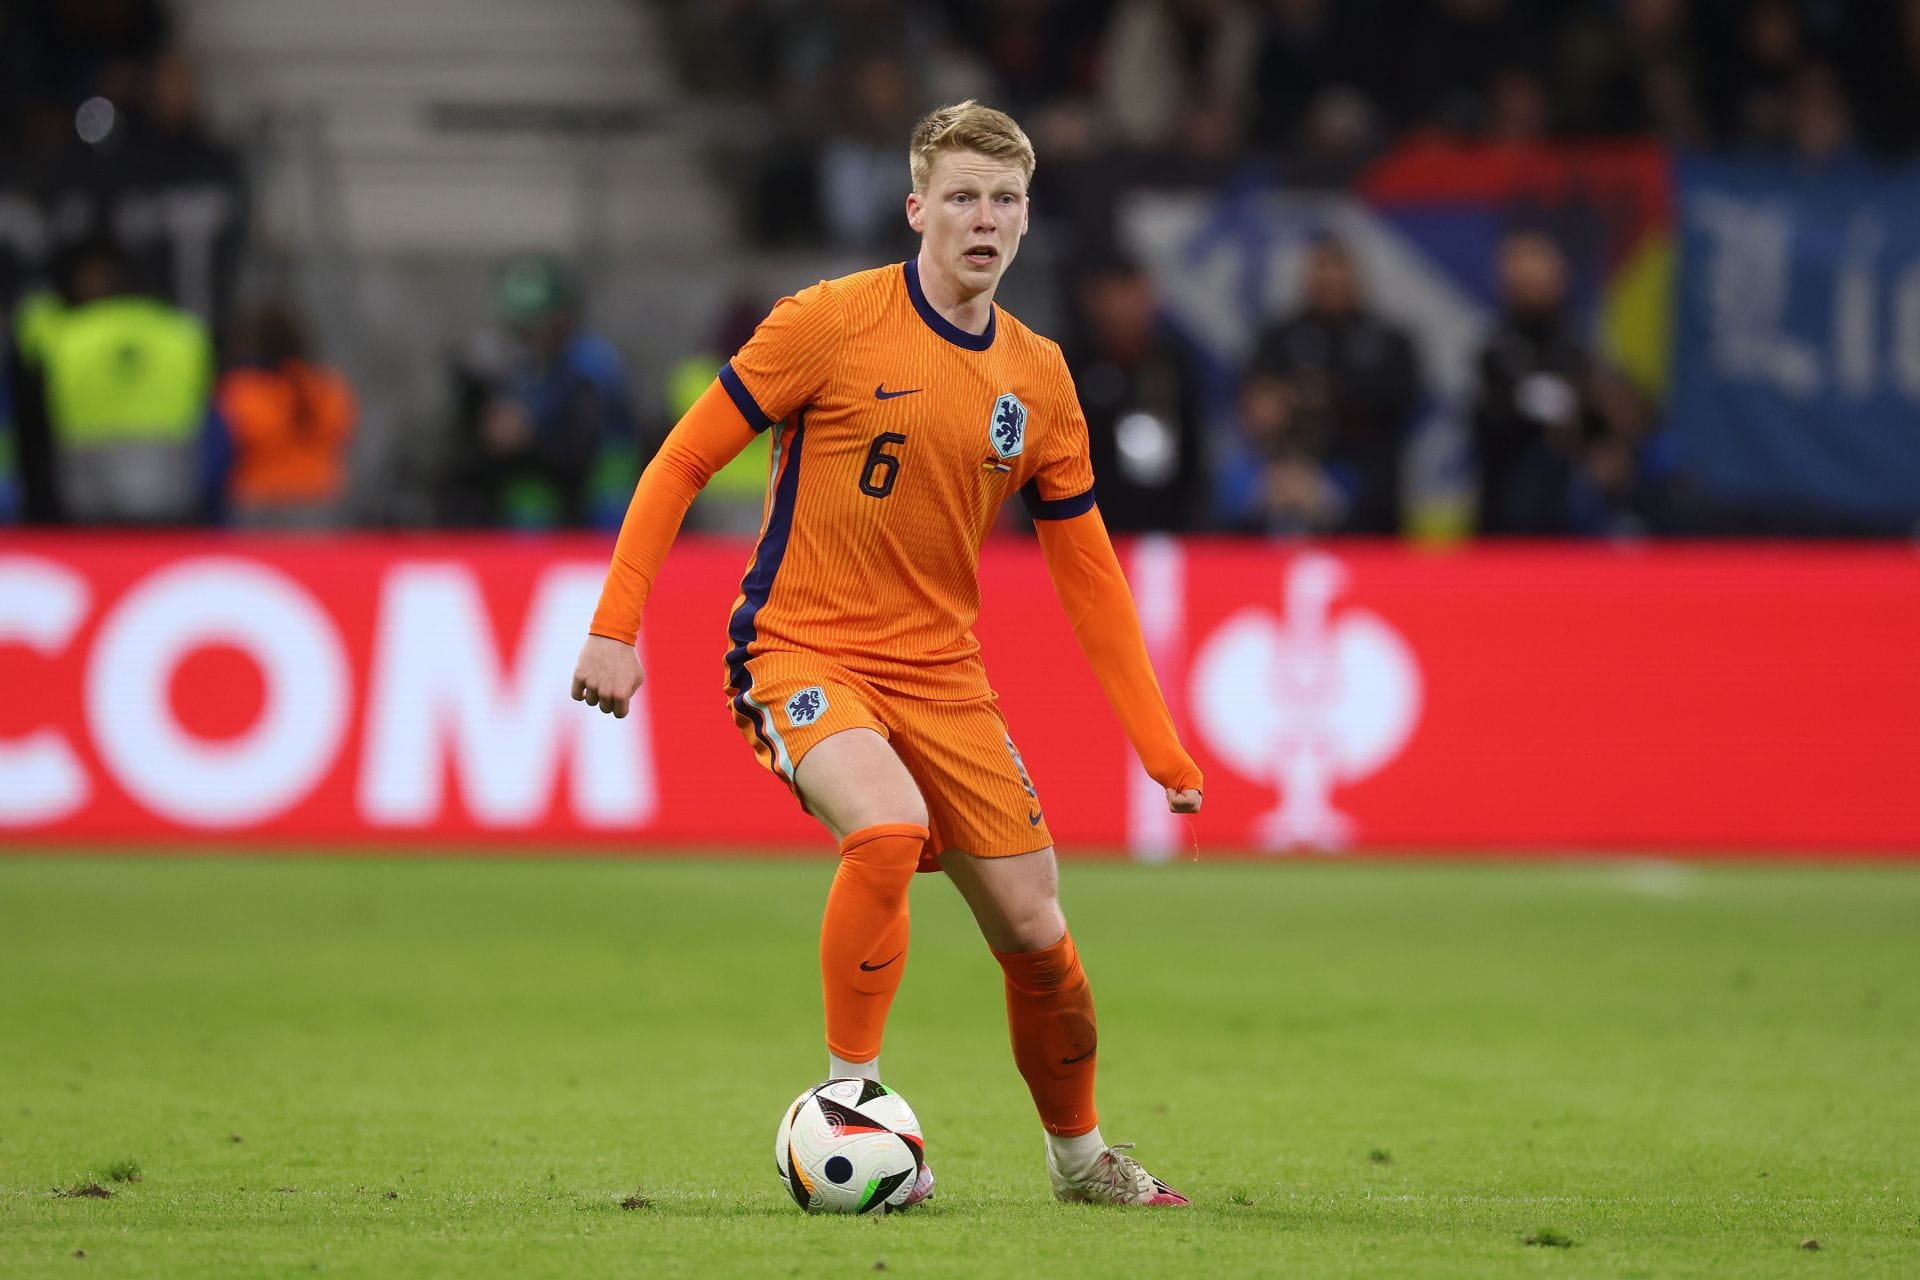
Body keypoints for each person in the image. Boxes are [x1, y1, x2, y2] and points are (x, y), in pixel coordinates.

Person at [572, 101, 1203, 1207]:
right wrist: (616, 625)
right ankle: (846, 1101)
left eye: (1006, 199)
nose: (985, 218)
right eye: (962, 195)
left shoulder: (1041, 379)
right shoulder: (828, 321)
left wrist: (1158, 744)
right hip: (798, 642)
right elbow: (680, 461)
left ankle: (1079, 1159)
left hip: (943, 676)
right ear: (916, 208)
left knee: (1038, 931)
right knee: (888, 824)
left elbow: (1089, 575)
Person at [1229, 237, 1418, 535]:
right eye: (1321, 268)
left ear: (1357, 276)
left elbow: (1400, 403)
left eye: (1338, 268)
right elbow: (1256, 403)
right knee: (1242, 490)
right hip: (1284, 472)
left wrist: (1330, 394)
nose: (1330, 278)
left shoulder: (1389, 342)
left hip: (1360, 477)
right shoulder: (1278, 338)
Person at [217, 303, 358, 526]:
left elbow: (223, 451)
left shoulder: (242, 392)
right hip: (318, 498)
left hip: (259, 500)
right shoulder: (329, 388)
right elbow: (344, 435)